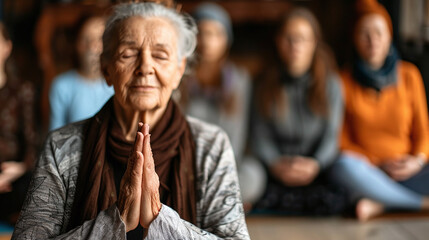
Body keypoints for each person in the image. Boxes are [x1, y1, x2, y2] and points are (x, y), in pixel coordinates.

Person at [12, 2, 249, 239]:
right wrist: (114, 222)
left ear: (179, 70)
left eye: (160, 55)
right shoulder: (62, 145)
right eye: (128, 54)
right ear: (106, 68)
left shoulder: (210, 145)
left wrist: (161, 221)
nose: (145, 67)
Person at [330, 0, 429, 221]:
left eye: (378, 33)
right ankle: (420, 205)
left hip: (411, 169)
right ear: (355, 39)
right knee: (342, 167)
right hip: (369, 171)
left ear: (389, 36)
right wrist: (377, 163)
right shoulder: (342, 81)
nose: (372, 41)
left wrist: (417, 161)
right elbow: (342, 141)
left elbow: (424, 133)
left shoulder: (409, 75)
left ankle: (381, 203)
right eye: (364, 33)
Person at [251, 8, 345, 215]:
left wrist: (315, 164)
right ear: (278, 41)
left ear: (314, 43)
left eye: (302, 39)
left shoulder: (331, 84)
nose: (295, 46)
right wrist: (275, 164)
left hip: (316, 171)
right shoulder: (263, 83)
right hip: (275, 171)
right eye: (289, 38)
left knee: (340, 184)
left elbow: (332, 137)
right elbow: (259, 135)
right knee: (252, 183)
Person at [176, 2, 265, 207]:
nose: (208, 41)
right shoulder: (179, 77)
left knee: (255, 174)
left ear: (227, 39)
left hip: (227, 166)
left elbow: (239, 134)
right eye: (203, 33)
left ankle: (204, 201)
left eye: (217, 34)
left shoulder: (240, 80)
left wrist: (222, 169)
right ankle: (224, 203)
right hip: (188, 166)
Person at [49, 15, 114, 130]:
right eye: (86, 40)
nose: (92, 47)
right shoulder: (61, 85)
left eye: (99, 39)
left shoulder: (117, 84)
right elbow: (55, 135)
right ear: (76, 45)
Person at [0, 22, 37, 224]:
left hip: (13, 175)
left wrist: (20, 168)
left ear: (7, 47)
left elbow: (32, 142)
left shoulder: (23, 90)